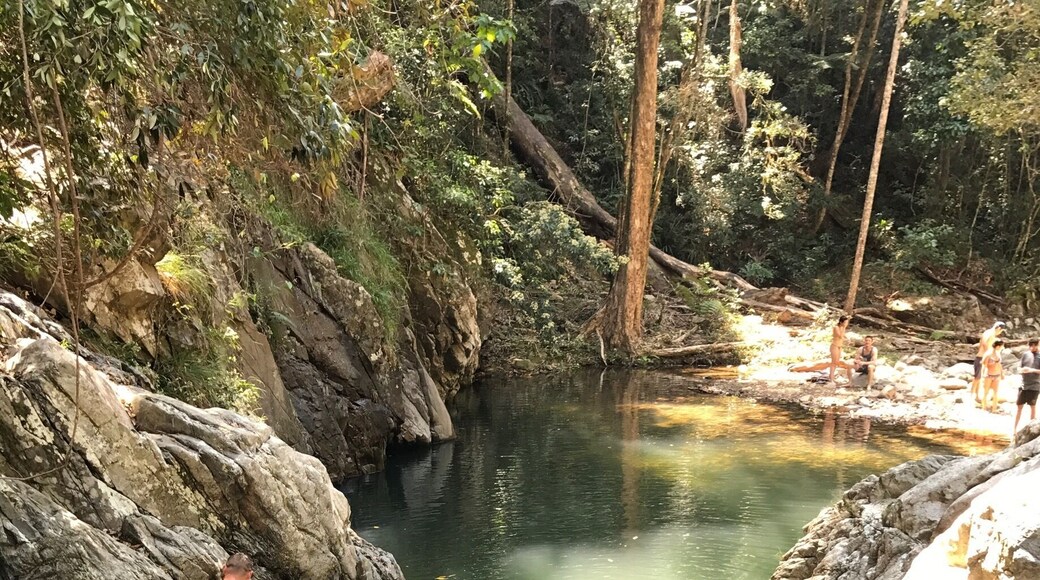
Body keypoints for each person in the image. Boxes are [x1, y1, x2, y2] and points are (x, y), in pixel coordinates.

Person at [973, 321, 1007, 405]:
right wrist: (989, 353)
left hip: (986, 357)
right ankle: (973, 395)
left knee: (982, 377)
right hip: (982, 357)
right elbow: (984, 343)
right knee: (977, 378)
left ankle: (979, 396)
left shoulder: (991, 335)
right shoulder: (989, 333)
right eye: (1001, 331)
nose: (1000, 333)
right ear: (999, 328)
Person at [1015, 338, 1040, 434]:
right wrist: (1021, 370)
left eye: (1035, 345)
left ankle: (1031, 431)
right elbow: (1018, 368)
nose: (1032, 347)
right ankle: (1015, 429)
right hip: (1023, 385)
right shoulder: (1025, 354)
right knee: (1019, 407)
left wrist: (1031, 370)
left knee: (1032, 406)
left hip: (1035, 386)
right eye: (1031, 345)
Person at [981, 340, 1006, 413]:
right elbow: (984, 365)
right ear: (998, 346)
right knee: (986, 392)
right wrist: (983, 375)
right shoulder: (988, 354)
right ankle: (984, 407)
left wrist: (1002, 373)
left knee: (995, 393)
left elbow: (999, 364)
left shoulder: (998, 354)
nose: (1002, 348)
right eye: (1002, 346)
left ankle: (994, 409)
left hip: (997, 375)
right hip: (988, 375)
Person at [829, 315, 854, 383]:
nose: (846, 324)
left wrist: (848, 339)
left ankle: (831, 376)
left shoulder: (843, 328)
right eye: (845, 322)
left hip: (839, 346)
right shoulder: (836, 327)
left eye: (847, 322)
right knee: (833, 362)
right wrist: (844, 328)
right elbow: (840, 336)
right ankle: (831, 379)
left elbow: (843, 335)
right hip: (834, 346)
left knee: (836, 362)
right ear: (841, 322)